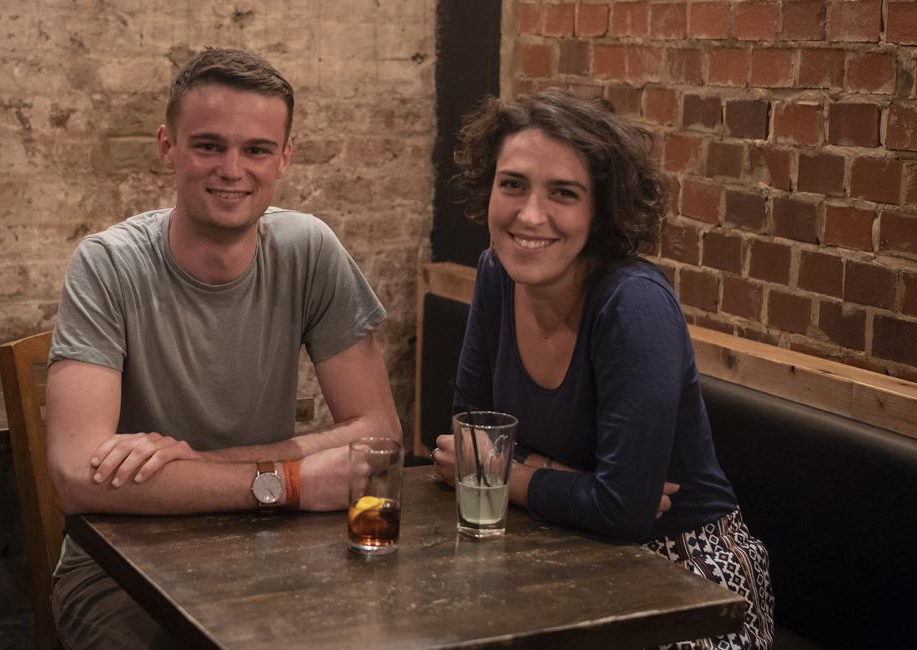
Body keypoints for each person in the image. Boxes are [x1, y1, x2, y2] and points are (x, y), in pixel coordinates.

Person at [46, 48, 401, 648]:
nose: (232, 169)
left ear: (284, 158)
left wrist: (194, 465)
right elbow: (78, 476)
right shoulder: (108, 263)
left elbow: (380, 432)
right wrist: (287, 483)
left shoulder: (309, 249)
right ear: (168, 148)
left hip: (275, 549)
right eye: (208, 145)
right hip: (118, 567)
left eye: (256, 149)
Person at [432, 89, 774, 649]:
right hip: (559, 553)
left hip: (686, 580)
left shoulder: (632, 304)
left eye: (563, 193)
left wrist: (515, 474)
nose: (529, 214)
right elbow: (470, 436)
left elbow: (624, 513)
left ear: (601, 209)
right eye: (512, 184)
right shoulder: (498, 273)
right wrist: (573, 483)